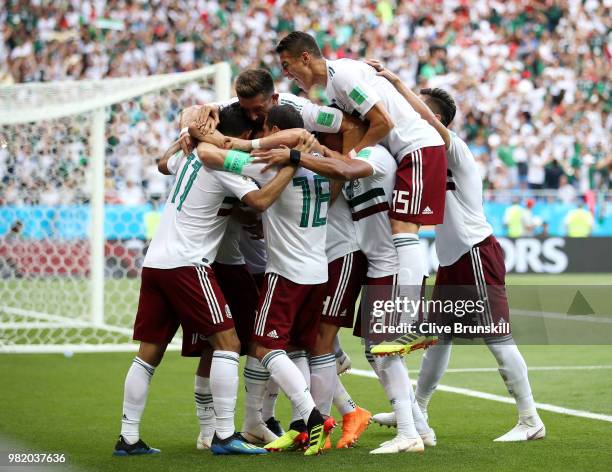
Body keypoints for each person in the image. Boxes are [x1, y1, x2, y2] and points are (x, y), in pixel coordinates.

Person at [364, 60, 546, 442]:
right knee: (438, 338)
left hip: (476, 253)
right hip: (451, 260)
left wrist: (396, 82)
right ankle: (418, 410)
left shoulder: (454, 148)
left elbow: (426, 122)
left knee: (498, 339)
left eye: (414, 106)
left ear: (435, 117)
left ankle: (530, 419)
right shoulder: (419, 154)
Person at [113, 109, 296, 457]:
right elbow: (258, 201)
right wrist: (291, 166)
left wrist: (185, 136)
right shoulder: (223, 164)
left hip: (155, 264)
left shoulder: (189, 156)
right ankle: (225, 436)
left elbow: (162, 163)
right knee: (228, 343)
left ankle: (128, 438)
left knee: (147, 356)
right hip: (188, 264)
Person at [274, 31, 447, 355]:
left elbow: (383, 122)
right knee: (401, 233)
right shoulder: (337, 82)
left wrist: (353, 157)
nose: (286, 73)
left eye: (287, 65)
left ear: (305, 58)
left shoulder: (342, 76)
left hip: (417, 147)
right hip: (408, 152)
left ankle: (412, 322)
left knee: (404, 232)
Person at [193, 104, 336, 456]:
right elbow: (336, 176)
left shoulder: (267, 164)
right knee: (296, 348)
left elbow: (212, 157)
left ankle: (312, 416)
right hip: (318, 270)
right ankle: (301, 428)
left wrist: (200, 133)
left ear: (271, 129)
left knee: (265, 347)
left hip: (287, 273)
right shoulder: (322, 166)